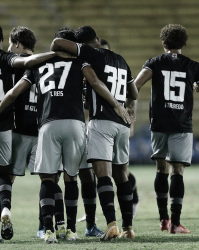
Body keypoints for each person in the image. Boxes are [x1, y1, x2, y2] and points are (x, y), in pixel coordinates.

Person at [0, 27, 131, 243]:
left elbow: (14, 92)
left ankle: (48, 230)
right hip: (76, 124)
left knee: (48, 179)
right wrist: (117, 105)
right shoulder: (81, 63)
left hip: (48, 124)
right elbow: (95, 84)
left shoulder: (39, 64)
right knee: (71, 178)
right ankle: (69, 230)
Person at [0, 21, 71, 244]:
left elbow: (11, 94)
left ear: (15, 44)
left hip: (17, 131)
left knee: (5, 177)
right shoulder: (48, 67)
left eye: (11, 45)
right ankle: (53, 227)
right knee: (50, 179)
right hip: (44, 129)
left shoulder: (15, 66)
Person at [50, 26, 138, 241]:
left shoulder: (90, 54)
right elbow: (133, 91)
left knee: (103, 175)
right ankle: (128, 228)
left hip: (102, 122)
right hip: (122, 125)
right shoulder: (120, 59)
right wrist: (128, 107)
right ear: (98, 38)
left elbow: (57, 43)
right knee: (122, 176)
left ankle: (111, 225)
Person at [133, 24, 199, 234]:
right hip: (181, 126)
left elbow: (135, 85)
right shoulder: (193, 66)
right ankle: (176, 224)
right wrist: (196, 87)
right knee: (177, 171)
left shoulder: (154, 62)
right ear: (183, 44)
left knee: (161, 169)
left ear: (163, 43)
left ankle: (163, 219)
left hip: (159, 124)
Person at [100, 38, 140, 219]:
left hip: (114, 124)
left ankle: (133, 200)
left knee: (118, 171)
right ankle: (103, 213)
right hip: (105, 123)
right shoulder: (103, 66)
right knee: (102, 171)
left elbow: (133, 95)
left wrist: (131, 119)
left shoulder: (114, 66)